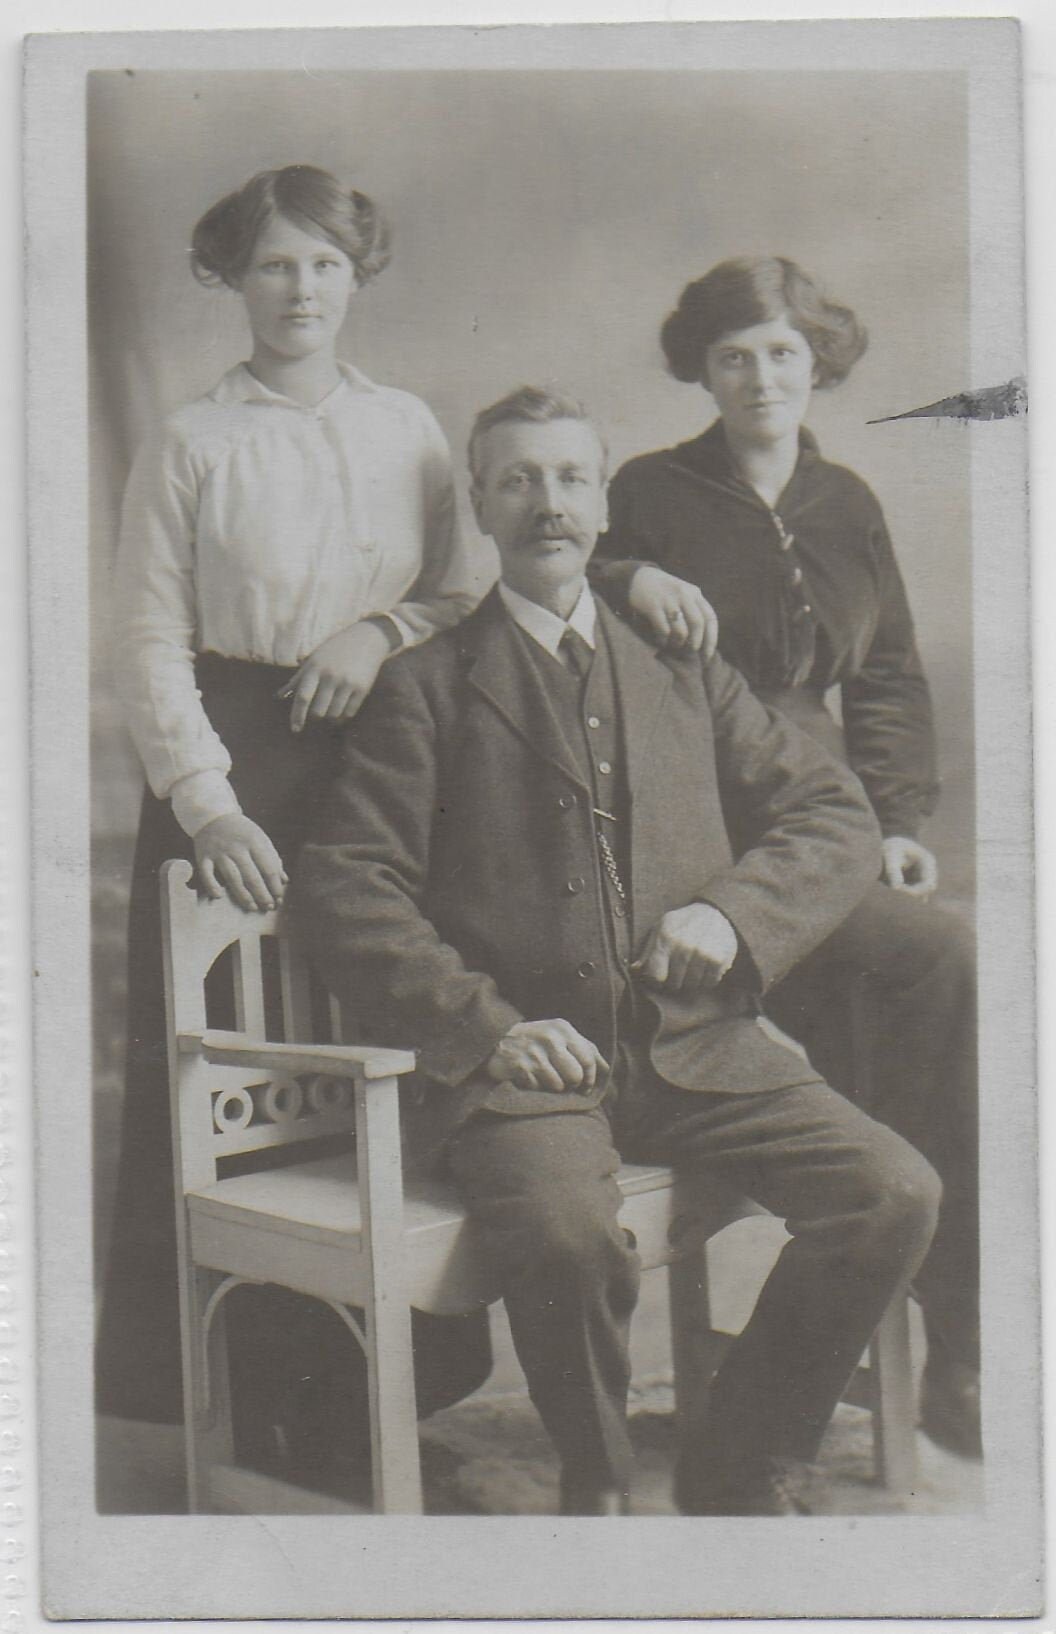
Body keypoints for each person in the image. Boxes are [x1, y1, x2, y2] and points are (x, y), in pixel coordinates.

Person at [293, 386, 941, 1516]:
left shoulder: (682, 664)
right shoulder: (426, 688)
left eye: (571, 478)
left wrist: (734, 917)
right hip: (528, 1072)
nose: (549, 503)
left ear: (603, 501)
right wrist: (491, 1029)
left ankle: (738, 1457)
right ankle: (594, 1486)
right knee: (564, 1233)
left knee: (893, 1191)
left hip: (700, 1048)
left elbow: (833, 814)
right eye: (519, 480)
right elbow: (350, 885)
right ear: (482, 508)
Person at [97, 165, 492, 1483]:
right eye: (274, 265)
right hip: (237, 764)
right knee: (243, 1071)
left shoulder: (409, 428)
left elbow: (459, 587)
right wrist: (204, 803)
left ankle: (372, 1402)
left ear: (355, 275)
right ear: (233, 279)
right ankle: (248, 1400)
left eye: (323, 263)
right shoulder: (195, 438)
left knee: (376, 1041)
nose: (300, 289)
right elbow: (149, 636)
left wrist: (377, 632)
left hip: (381, 756)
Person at [591, 257, 980, 1459]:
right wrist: (628, 571)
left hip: (827, 818)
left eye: (781, 353)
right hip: (702, 823)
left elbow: (892, 672)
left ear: (818, 362)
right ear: (701, 370)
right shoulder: (654, 490)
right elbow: (564, 579)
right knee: (864, 1033)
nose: (760, 376)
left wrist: (901, 820)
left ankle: (954, 1333)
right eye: (733, 355)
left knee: (939, 965)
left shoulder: (849, 500)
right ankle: (796, 1386)